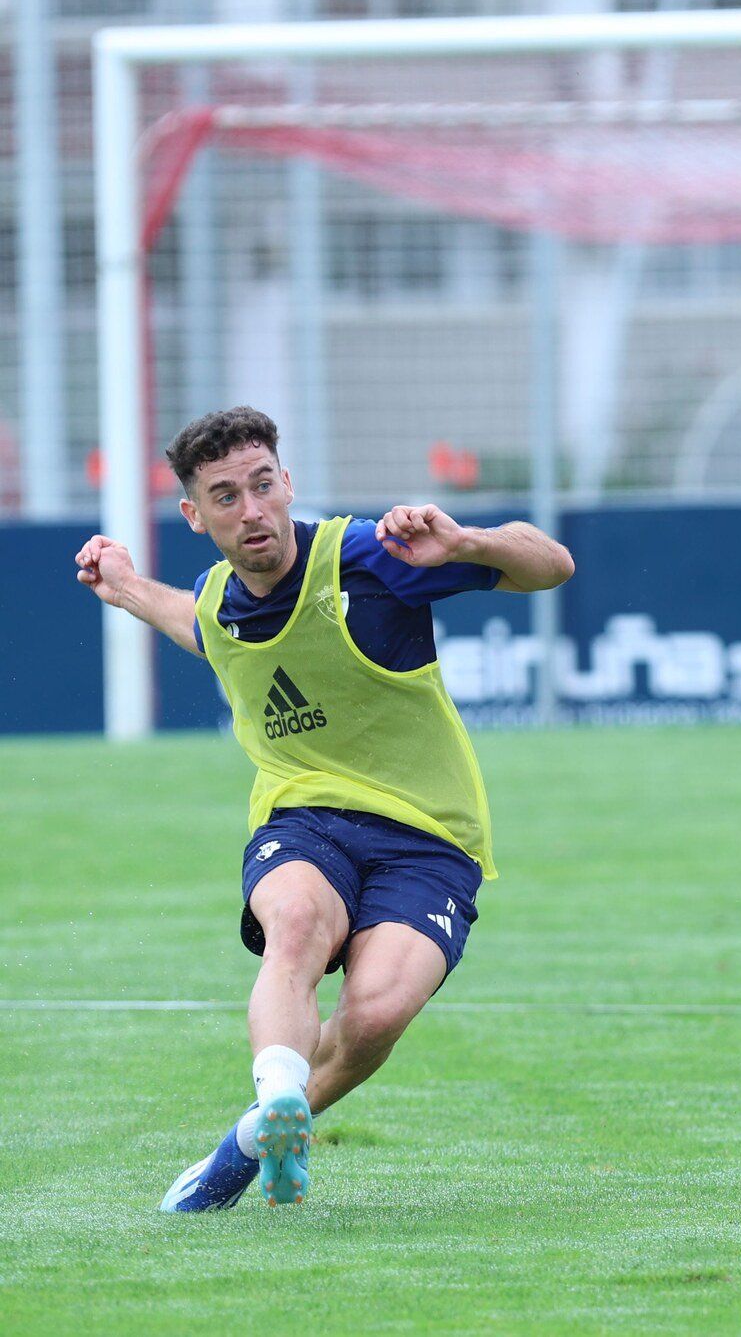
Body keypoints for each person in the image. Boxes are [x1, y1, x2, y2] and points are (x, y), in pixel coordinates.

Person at [76, 406, 574, 1210]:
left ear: (288, 483)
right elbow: (196, 624)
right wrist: (127, 586)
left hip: (430, 839)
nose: (253, 511)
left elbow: (552, 565)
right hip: (304, 823)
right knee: (298, 926)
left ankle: (243, 1144)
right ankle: (278, 1092)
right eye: (226, 497)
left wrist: (471, 542)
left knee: (374, 1016)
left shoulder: (372, 557)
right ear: (196, 517)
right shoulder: (218, 601)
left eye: (263, 486)